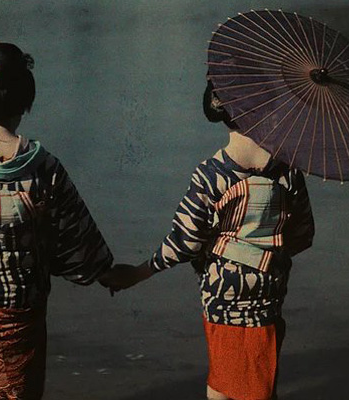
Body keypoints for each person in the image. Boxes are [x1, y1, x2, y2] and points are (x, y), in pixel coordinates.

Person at [0, 42, 114, 400]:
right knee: (23, 388)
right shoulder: (45, 170)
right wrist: (104, 273)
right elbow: (75, 239)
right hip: (25, 302)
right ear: (27, 100)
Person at [104, 80, 315, 400]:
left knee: (221, 383)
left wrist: (138, 272)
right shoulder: (288, 171)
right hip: (269, 291)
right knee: (261, 376)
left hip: (223, 292)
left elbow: (185, 242)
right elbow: (302, 235)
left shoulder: (212, 174)